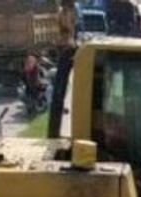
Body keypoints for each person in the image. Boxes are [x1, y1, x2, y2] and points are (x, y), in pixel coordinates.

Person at [48, 0, 79, 138]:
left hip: (68, 44)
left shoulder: (68, 11)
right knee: (61, 84)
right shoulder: (64, 12)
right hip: (66, 45)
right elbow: (67, 27)